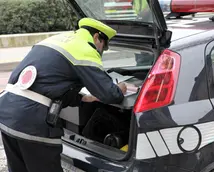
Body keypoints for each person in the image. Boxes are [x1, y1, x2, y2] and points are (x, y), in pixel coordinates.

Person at [0, 17, 127, 172]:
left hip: (7, 113)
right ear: (96, 37)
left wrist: (81, 98)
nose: (102, 51)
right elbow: (110, 95)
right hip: (32, 122)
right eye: (104, 46)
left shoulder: (57, 40)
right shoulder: (85, 49)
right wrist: (120, 88)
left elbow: (49, 82)